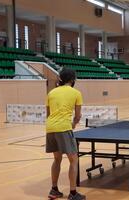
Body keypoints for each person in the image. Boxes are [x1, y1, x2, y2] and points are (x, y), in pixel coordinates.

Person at [46, 68, 85, 200]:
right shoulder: (76, 93)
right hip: (64, 128)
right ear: (73, 80)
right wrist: (73, 124)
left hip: (50, 128)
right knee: (73, 160)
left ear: (61, 79)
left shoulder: (51, 93)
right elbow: (78, 116)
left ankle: (54, 189)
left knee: (57, 159)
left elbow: (48, 114)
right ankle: (73, 193)